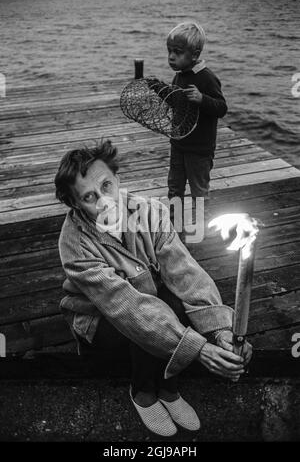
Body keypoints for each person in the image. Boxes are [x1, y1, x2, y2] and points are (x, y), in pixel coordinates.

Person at [54, 140, 252, 438]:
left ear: (117, 179)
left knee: (176, 300)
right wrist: (198, 349)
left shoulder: (152, 212)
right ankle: (143, 393)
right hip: (101, 317)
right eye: (89, 197)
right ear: (75, 204)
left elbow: (185, 271)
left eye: (107, 186)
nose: (104, 201)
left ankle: (169, 389)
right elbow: (125, 305)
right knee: (141, 316)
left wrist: (220, 330)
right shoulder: (74, 244)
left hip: (148, 298)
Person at [167, 22, 228, 240]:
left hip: (199, 150)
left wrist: (203, 99)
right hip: (179, 144)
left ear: (194, 54)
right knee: (174, 188)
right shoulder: (180, 75)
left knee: (198, 192)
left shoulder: (206, 77)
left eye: (177, 52)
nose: (171, 57)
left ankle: (201, 229)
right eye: (170, 52)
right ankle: (174, 228)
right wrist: (161, 91)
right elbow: (178, 105)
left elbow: (221, 108)